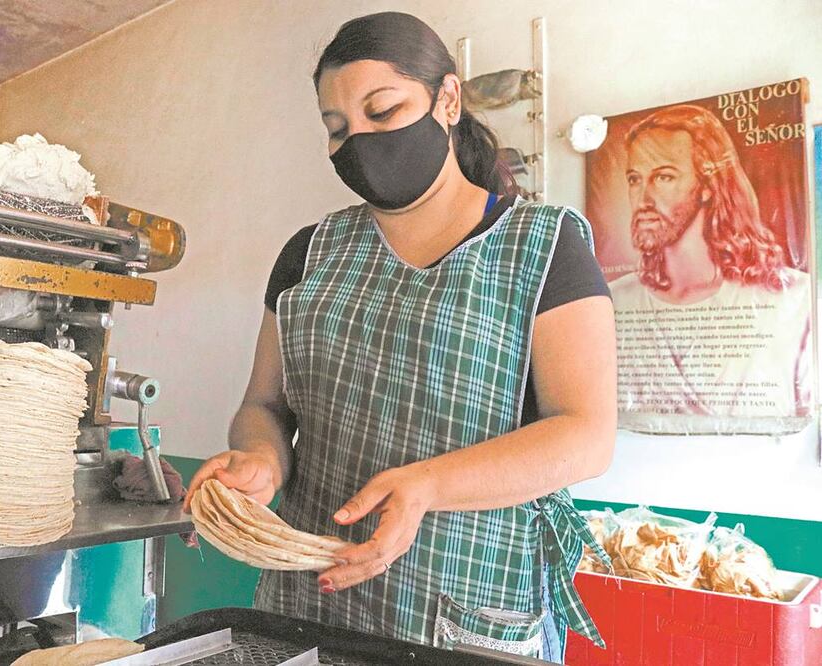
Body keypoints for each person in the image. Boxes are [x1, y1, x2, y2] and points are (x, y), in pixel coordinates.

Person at [184, 12, 616, 662]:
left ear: (447, 100)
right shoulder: (310, 254)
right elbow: (264, 405)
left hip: (464, 610)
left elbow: (585, 434)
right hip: (309, 600)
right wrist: (261, 461)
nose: (360, 142)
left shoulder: (545, 247)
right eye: (337, 129)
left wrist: (427, 485)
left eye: (382, 111)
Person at [609, 104, 811, 422]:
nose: (643, 199)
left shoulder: (794, 297)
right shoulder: (614, 301)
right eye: (634, 179)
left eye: (663, 177)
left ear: (707, 185)